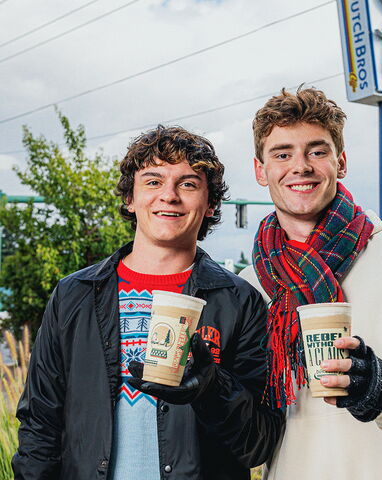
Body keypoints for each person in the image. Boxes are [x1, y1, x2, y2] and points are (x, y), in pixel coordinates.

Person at [12, 126, 284, 480]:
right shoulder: (73, 295)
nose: (168, 196)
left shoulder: (239, 301)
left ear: (211, 203)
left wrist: (211, 387)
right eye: (153, 181)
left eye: (187, 184)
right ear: (130, 198)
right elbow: (40, 425)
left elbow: (259, 444)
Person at [239, 87, 382, 480]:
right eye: (282, 154)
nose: (300, 166)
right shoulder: (251, 285)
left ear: (341, 162)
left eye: (317, 151)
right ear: (260, 170)